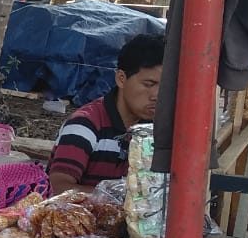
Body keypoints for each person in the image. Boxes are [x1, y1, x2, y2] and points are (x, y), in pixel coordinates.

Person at [47, 34, 164, 193]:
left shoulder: (157, 128)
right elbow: (59, 188)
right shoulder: (84, 125)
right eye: (149, 84)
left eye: (165, 86)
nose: (157, 95)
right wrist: (122, 199)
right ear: (121, 79)